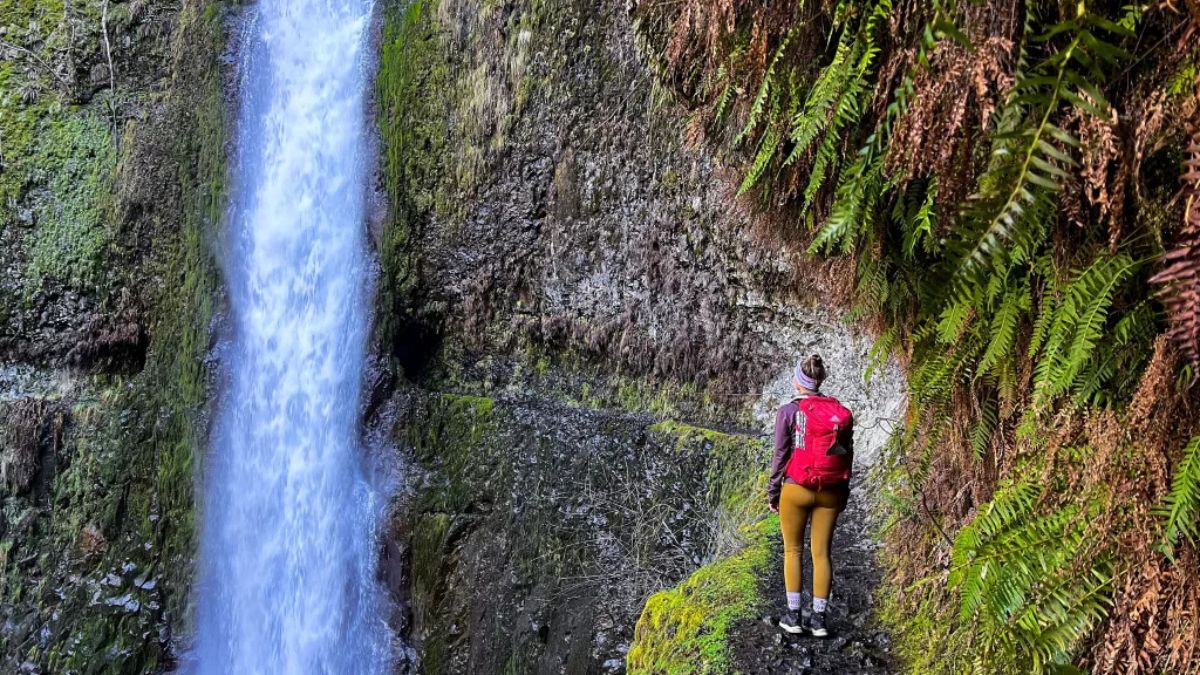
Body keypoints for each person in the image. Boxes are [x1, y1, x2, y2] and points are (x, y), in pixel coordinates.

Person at [767, 354, 854, 637]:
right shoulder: (837, 413)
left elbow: (781, 455)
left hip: (796, 488)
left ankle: (793, 616)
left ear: (798, 381)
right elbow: (847, 455)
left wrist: (774, 491)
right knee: (821, 553)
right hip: (830, 490)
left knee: (793, 550)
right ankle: (819, 620)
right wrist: (844, 491)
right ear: (820, 381)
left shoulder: (788, 412)